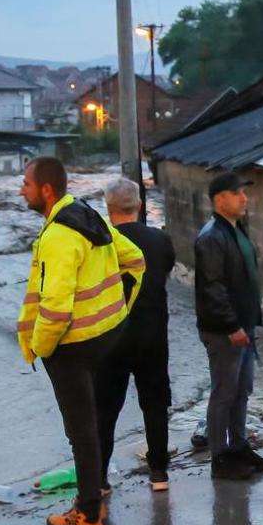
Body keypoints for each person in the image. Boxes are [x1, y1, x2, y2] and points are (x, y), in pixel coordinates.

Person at [18, 157, 145, 525]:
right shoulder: (86, 215)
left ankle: (89, 519)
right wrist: (118, 310)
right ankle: (89, 502)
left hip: (70, 347)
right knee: (87, 429)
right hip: (104, 337)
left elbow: (54, 308)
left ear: (46, 190)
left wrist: (39, 348)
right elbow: (134, 260)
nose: (21, 189)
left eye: (25, 183)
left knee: (81, 433)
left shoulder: (59, 235)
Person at [95, 177, 176, 493]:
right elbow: (165, 272)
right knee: (155, 404)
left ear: (108, 207)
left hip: (111, 338)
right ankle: (159, 473)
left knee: (105, 408)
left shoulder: (100, 244)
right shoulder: (159, 241)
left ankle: (100, 478)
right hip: (153, 335)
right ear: (139, 205)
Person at [194, 172, 263, 481]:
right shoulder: (211, 236)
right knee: (224, 393)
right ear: (219, 199)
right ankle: (220, 458)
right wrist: (231, 326)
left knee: (242, 390)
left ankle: (239, 446)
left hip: (244, 327)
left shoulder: (234, 229)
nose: (244, 198)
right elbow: (213, 289)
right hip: (225, 331)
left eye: (243, 192)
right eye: (237, 192)